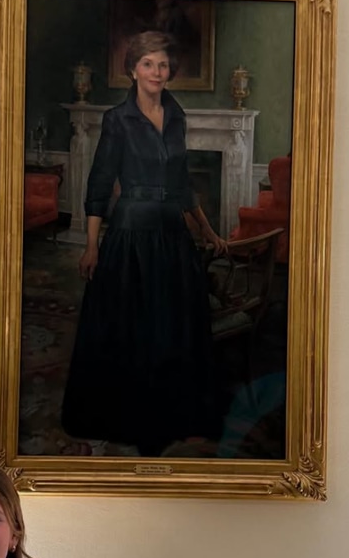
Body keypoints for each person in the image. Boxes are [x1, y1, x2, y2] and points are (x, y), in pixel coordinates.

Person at [62, 31, 227, 456]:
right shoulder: (118, 120)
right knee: (131, 327)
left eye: (163, 65)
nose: (157, 72)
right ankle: (126, 420)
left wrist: (206, 230)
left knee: (174, 328)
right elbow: (100, 182)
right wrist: (92, 244)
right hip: (131, 233)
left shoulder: (177, 115)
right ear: (133, 69)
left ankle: (180, 417)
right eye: (149, 63)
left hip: (172, 232)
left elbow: (183, 183)